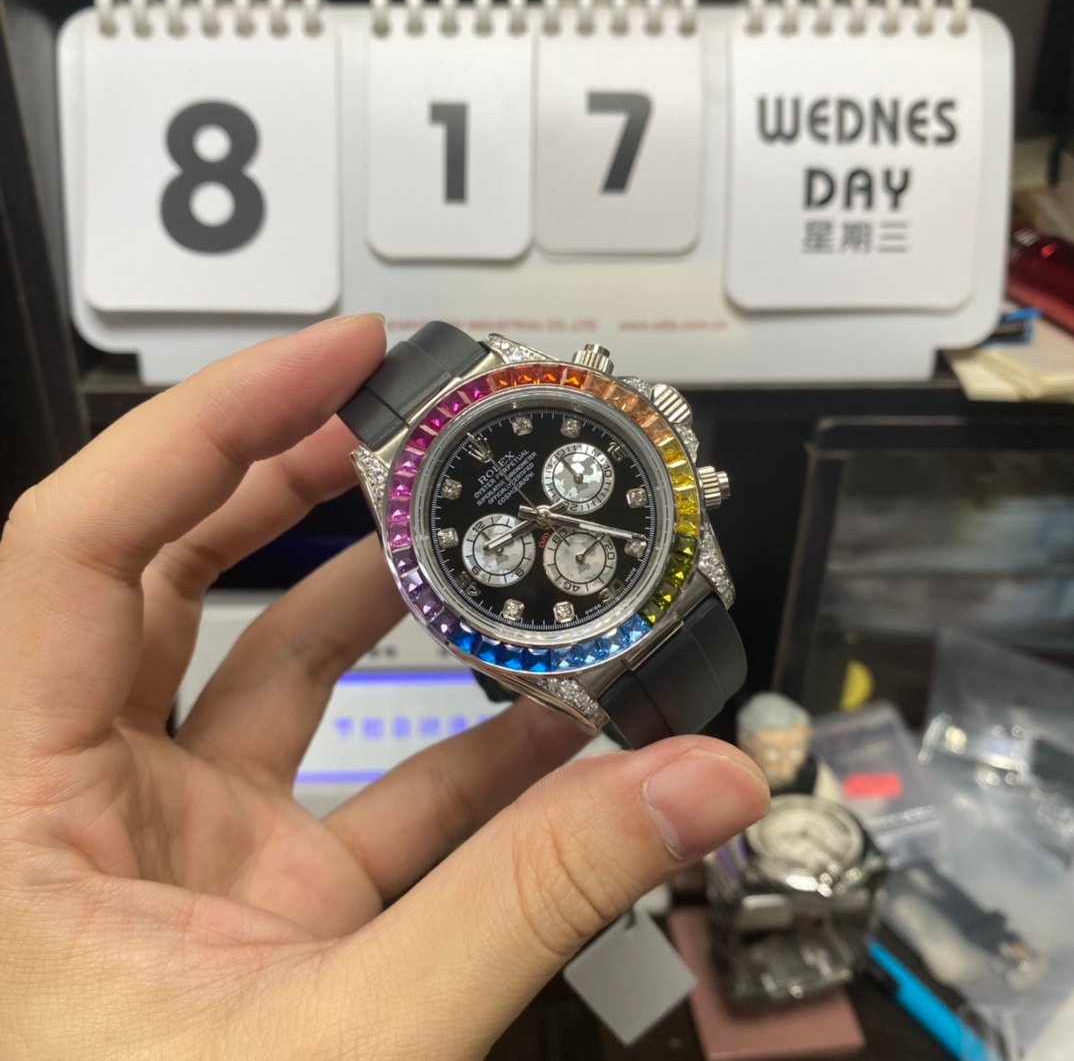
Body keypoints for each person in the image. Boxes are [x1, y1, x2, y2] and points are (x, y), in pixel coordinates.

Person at [0, 314, 768, 1059]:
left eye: (562, 485)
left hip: (652, 579)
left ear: (647, 425)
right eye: (509, 531)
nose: (534, 518)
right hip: (588, 632)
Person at [736, 691, 838, 799]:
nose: (784, 768)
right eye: (772, 750)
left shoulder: (816, 775)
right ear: (746, 743)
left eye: (796, 749)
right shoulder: (736, 777)